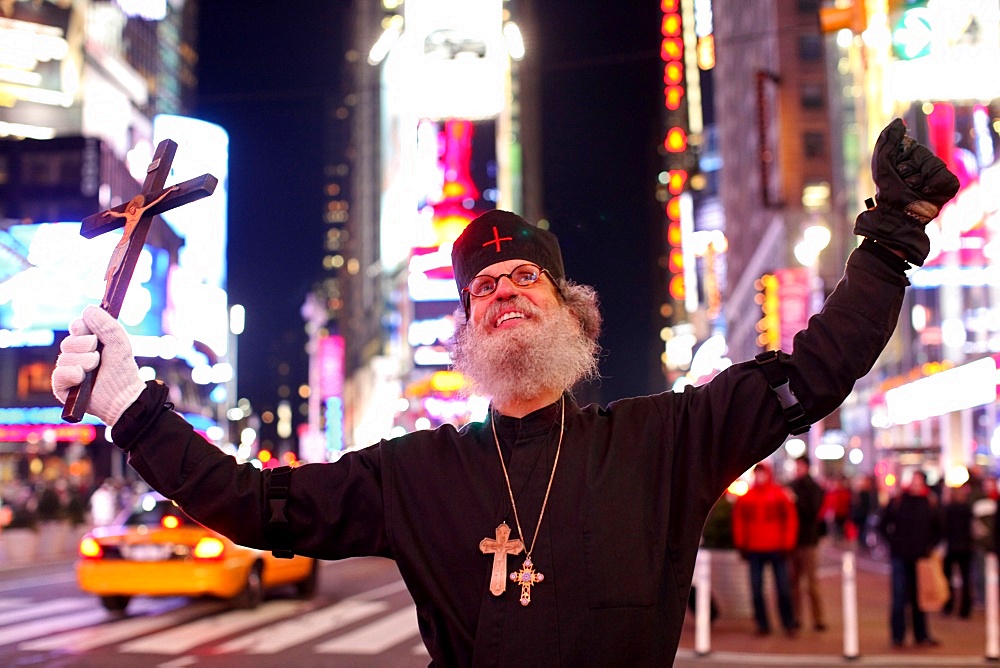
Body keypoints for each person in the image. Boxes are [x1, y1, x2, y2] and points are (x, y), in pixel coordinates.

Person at [51, 119, 958, 665]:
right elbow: (254, 506)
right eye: (483, 287)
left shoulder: (666, 439)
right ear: (467, 333)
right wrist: (135, 409)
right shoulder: (413, 472)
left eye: (525, 276)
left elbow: (813, 372)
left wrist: (888, 242)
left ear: (575, 313)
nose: (502, 291)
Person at [878, 470, 943, 648]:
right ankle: (897, 636)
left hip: (921, 557)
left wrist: (930, 546)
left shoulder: (929, 502)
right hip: (900, 556)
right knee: (899, 596)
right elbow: (882, 525)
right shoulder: (898, 501)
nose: (915, 483)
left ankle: (921, 635)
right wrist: (894, 544)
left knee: (920, 597)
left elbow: (939, 528)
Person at [732, 462, 799, 636]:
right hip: (755, 548)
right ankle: (763, 624)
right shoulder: (747, 497)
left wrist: (788, 544)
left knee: (783, 589)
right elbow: (739, 521)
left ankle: (788, 623)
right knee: (756, 590)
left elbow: (790, 520)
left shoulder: (779, 495)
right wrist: (741, 544)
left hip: (777, 548)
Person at [787, 454, 827, 631]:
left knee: (812, 582)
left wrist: (795, 500)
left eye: (799, 466)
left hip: (808, 540)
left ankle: (818, 618)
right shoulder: (791, 486)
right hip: (793, 539)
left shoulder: (813, 488)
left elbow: (812, 512)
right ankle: (795, 617)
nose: (797, 469)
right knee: (793, 582)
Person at [941, 481, 973, 618]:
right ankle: (965, 609)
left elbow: (943, 528)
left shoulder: (948, 509)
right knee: (965, 579)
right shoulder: (968, 510)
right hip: (965, 548)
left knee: (948, 578)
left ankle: (949, 604)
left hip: (952, 547)